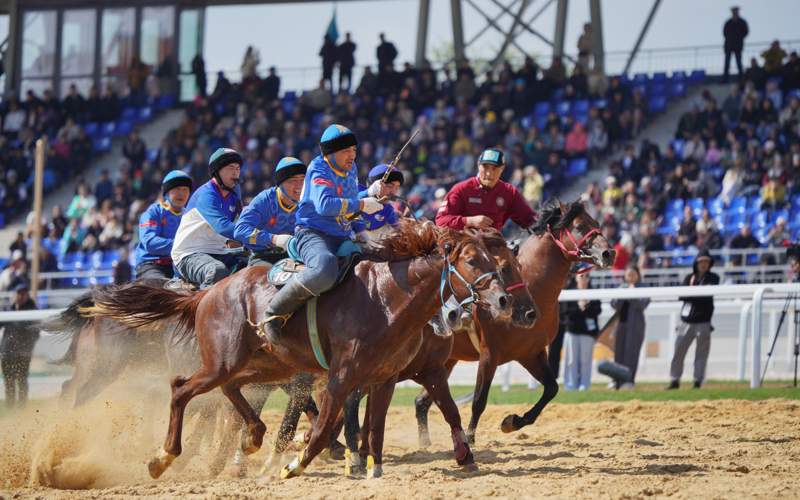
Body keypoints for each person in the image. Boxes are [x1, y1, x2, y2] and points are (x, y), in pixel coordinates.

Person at [260, 125, 383, 344]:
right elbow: (326, 205)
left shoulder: (351, 168)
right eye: (346, 151)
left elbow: (349, 204)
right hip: (313, 234)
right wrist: (364, 203)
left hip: (343, 234)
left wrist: (365, 212)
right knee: (325, 268)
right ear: (330, 153)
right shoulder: (318, 168)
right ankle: (273, 313)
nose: (352, 155)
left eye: (354, 150)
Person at [171, 148, 243, 289]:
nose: (236, 173)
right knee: (217, 271)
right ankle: (198, 310)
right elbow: (222, 226)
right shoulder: (206, 194)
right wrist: (255, 235)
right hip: (189, 254)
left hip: (219, 251)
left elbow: (243, 219)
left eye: (238, 168)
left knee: (252, 265)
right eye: (230, 168)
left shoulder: (235, 193)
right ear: (217, 171)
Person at [435, 148, 537, 232]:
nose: (489, 174)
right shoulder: (461, 189)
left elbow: (530, 220)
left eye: (495, 168)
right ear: (478, 165)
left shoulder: (509, 192)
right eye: (485, 167)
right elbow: (441, 221)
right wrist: (469, 221)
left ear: (502, 169)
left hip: (495, 248)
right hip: (463, 248)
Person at [233, 157, 307, 266]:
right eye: (293, 181)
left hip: (295, 255)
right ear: (280, 184)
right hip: (263, 256)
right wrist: (274, 239)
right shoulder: (264, 200)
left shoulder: (308, 201)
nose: (300, 186)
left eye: (302, 180)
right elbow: (240, 230)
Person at [667, 250, 720, 390]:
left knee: (701, 354)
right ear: (696, 263)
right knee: (678, 351)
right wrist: (696, 294)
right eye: (701, 261)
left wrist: (693, 294)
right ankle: (674, 380)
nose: (703, 264)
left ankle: (697, 381)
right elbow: (682, 296)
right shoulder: (689, 277)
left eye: (706, 262)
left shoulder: (714, 277)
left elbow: (704, 296)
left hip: (703, 321)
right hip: (686, 322)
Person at [134, 170, 193, 281]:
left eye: (185, 189)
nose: (181, 193)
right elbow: (150, 243)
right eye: (177, 189)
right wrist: (181, 245)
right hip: (151, 265)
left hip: (178, 266)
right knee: (167, 289)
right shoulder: (153, 212)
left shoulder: (190, 215)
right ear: (167, 193)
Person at [610, 265, 649, 389]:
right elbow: (614, 304)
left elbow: (643, 304)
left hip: (635, 326)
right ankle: (617, 380)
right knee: (618, 353)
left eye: (633, 274)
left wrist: (632, 294)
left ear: (638, 275)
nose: (631, 277)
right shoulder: (622, 287)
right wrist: (624, 293)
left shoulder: (643, 288)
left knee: (631, 354)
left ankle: (629, 380)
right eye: (628, 275)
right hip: (620, 325)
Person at [1, 282, 38, 408]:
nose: (21, 296)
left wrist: (27, 348)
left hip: (22, 353)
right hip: (7, 352)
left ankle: (22, 407)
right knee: (8, 381)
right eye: (19, 293)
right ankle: (10, 407)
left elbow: (35, 333)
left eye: (23, 293)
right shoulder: (8, 309)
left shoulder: (32, 311)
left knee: (22, 380)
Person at [563, 273, 602, 391]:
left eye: (586, 276)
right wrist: (579, 308)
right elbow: (565, 312)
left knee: (586, 360)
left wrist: (586, 307)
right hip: (572, 331)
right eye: (581, 276)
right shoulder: (569, 292)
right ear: (576, 278)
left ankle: (584, 385)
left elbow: (597, 310)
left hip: (587, 333)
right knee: (571, 360)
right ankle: (570, 385)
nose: (584, 279)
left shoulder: (593, 292)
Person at [355, 163, 403, 247]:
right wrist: (368, 193)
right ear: (375, 185)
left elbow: (398, 228)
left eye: (397, 187)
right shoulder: (355, 192)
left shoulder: (388, 209)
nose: (394, 192)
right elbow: (351, 201)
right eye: (390, 186)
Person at [723, 6, 748, 82]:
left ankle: (741, 78)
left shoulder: (742, 22)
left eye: (736, 11)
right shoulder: (728, 22)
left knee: (739, 62)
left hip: (738, 45)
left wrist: (739, 37)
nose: (734, 13)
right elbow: (724, 33)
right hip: (729, 45)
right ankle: (725, 78)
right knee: (727, 62)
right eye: (733, 11)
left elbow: (746, 31)